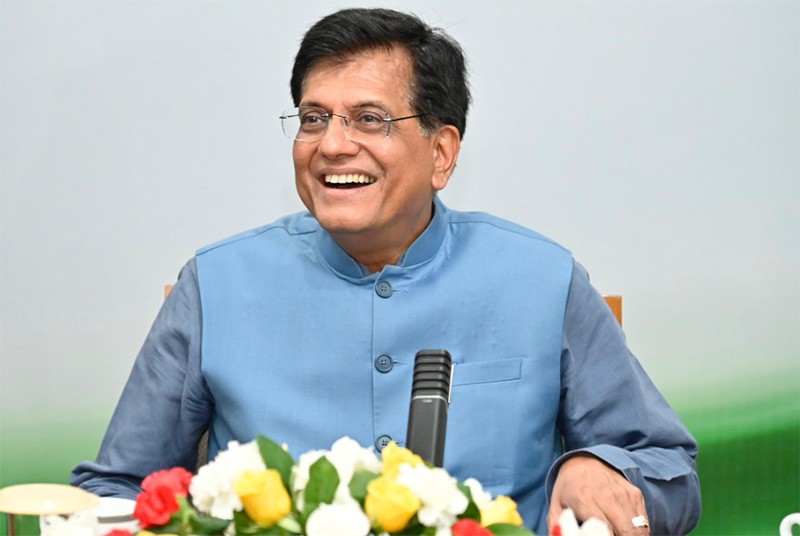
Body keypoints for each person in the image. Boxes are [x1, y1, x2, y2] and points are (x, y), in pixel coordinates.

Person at [72, 8, 700, 535]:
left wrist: (602, 467)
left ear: (441, 152)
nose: (332, 145)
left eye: (370, 119)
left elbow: (668, 467)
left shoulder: (542, 279)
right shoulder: (216, 284)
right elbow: (116, 488)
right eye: (314, 118)